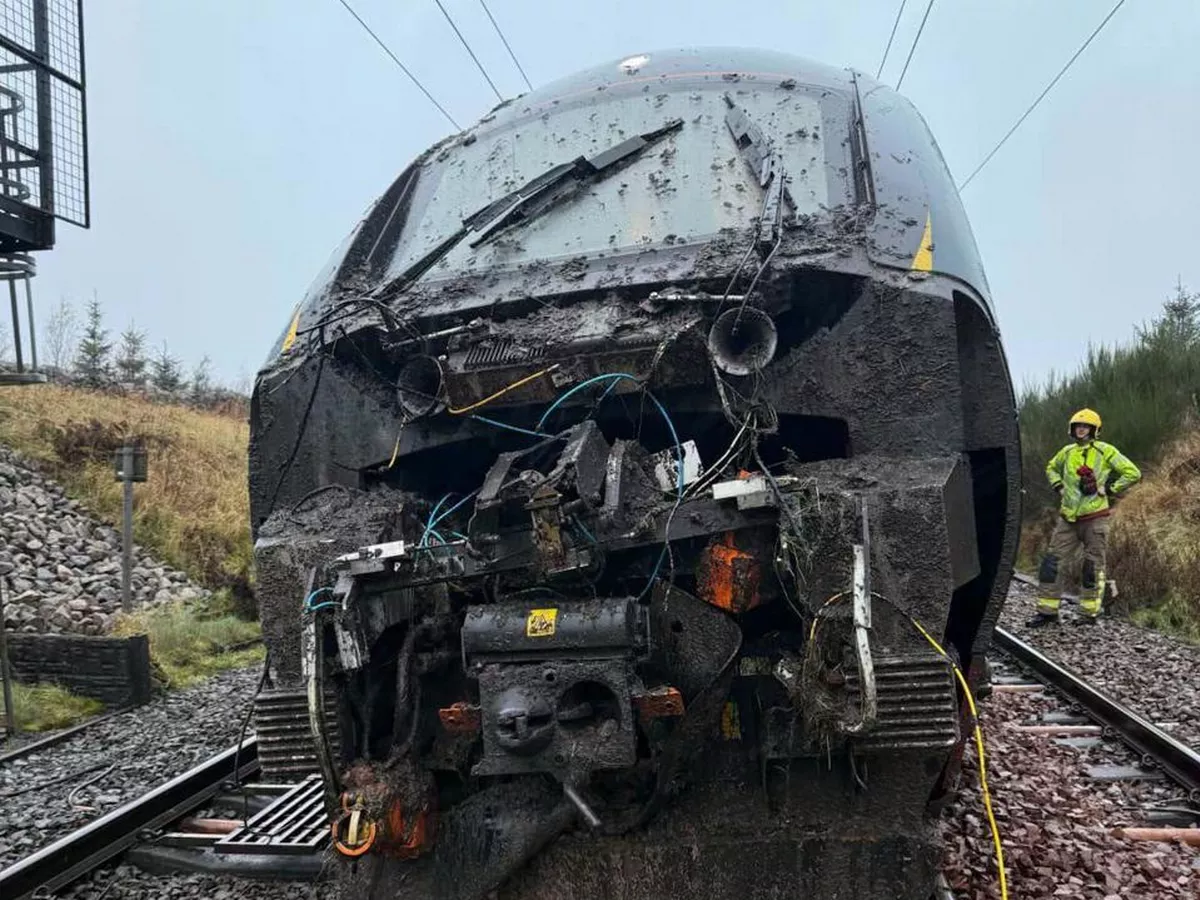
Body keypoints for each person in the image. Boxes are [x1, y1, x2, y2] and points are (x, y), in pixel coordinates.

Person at [1028, 408, 1141, 627]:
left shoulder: (1105, 451)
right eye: (1078, 426)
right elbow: (1051, 467)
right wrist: (1058, 486)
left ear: (1094, 429)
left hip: (1095, 518)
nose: (1081, 429)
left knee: (1092, 567)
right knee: (1051, 564)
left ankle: (1088, 614)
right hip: (1068, 520)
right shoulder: (1067, 452)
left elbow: (1133, 472)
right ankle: (1047, 613)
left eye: (1085, 426)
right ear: (1072, 429)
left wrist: (1108, 488)